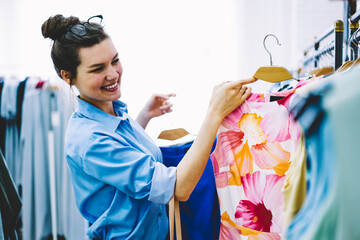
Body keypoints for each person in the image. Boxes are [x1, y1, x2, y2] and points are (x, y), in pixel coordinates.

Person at [41, 14, 256, 240]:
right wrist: (214, 113)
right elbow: (178, 188)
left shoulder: (112, 114)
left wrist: (143, 118)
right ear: (68, 76)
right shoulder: (89, 140)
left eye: (115, 61)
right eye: (97, 69)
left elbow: (123, 165)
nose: (113, 74)